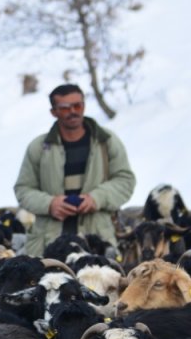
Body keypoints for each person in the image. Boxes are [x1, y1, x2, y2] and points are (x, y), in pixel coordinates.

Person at [13, 84, 136, 257]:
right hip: (48, 245)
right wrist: (50, 204)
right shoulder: (39, 148)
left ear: (84, 106)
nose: (73, 112)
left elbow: (125, 181)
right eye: (65, 108)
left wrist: (96, 199)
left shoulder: (106, 142)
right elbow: (23, 189)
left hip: (97, 243)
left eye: (77, 106)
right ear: (53, 112)